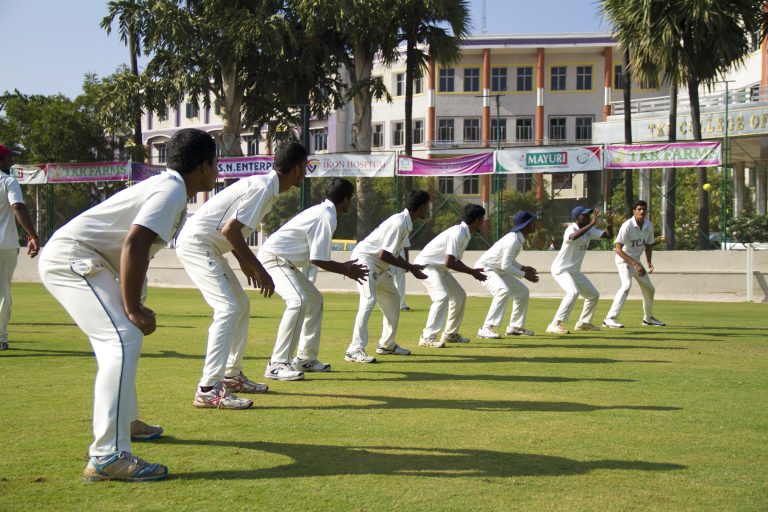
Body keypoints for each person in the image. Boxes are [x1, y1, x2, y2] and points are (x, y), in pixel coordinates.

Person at [38, 129, 218, 482]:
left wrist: (135, 302)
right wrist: (133, 308)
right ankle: (107, 455)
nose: (217, 170)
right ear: (204, 165)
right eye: (216, 163)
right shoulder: (171, 190)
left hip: (89, 260)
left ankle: (127, 422)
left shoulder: (169, 187)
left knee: (124, 337)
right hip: (72, 258)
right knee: (123, 338)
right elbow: (135, 243)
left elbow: (137, 247)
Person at [176, 141, 308, 410]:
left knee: (241, 306)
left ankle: (232, 376)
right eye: (306, 167)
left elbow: (229, 230)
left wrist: (245, 262)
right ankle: (208, 389)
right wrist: (258, 268)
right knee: (228, 308)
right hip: (198, 245)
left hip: (211, 246)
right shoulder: (261, 188)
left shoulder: (266, 189)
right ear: (298, 169)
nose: (306, 172)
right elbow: (230, 231)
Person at [260, 178, 367, 380]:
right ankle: (277, 364)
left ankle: (305, 358)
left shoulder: (325, 212)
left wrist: (345, 269)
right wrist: (346, 269)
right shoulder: (326, 215)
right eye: (349, 199)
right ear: (346, 199)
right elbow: (317, 259)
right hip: (274, 259)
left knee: (315, 301)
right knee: (298, 301)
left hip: (285, 262)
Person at [345, 190, 431, 363]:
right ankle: (354, 349)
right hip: (364, 260)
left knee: (393, 299)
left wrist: (410, 266)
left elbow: (393, 253)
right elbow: (384, 254)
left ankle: (387, 344)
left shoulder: (406, 223)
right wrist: (411, 267)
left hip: (379, 266)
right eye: (427, 206)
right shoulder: (399, 223)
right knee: (369, 300)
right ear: (422, 207)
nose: (428, 209)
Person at [413, 204, 487, 348]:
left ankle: (450, 334)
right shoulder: (458, 233)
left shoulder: (465, 234)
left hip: (439, 268)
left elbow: (454, 260)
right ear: (477, 220)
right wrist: (472, 272)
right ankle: (427, 337)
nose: (483, 222)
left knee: (459, 296)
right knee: (441, 296)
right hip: (426, 266)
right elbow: (450, 262)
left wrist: (473, 271)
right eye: (482, 219)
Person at [547, 206, 613, 334]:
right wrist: (592, 224)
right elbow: (573, 237)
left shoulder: (589, 230)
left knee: (593, 295)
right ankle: (554, 324)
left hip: (574, 271)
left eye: (589, 215)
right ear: (577, 218)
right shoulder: (570, 229)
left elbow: (609, 236)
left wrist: (609, 224)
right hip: (561, 269)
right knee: (572, 292)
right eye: (585, 215)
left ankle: (584, 323)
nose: (588, 217)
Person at [0, 144, 40, 351]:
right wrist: (32, 235)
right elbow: (17, 206)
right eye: (8, 159)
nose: (12, 162)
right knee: (3, 291)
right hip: (4, 245)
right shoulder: (7, 181)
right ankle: (1, 337)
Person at [476, 210, 539, 339]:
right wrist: (525, 275)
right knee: (502, 291)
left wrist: (522, 267)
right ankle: (486, 328)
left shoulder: (517, 238)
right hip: (485, 268)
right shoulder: (514, 240)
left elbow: (507, 261)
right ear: (526, 225)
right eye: (532, 222)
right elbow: (506, 265)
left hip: (497, 269)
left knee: (522, 292)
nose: (535, 224)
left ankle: (515, 327)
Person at [603, 200, 666, 328]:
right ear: (634, 211)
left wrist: (648, 261)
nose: (642, 211)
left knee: (650, 289)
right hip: (623, 259)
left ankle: (648, 319)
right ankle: (609, 318)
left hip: (636, 260)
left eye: (644, 209)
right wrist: (635, 264)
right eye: (639, 209)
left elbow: (648, 245)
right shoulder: (627, 226)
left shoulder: (648, 225)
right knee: (626, 285)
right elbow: (618, 249)